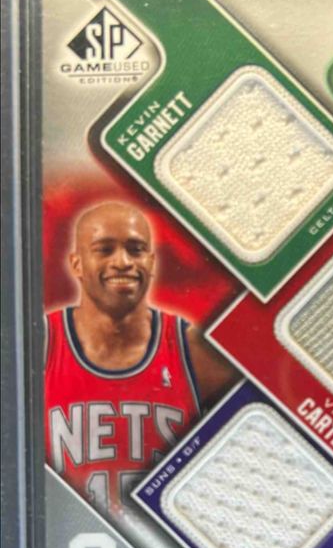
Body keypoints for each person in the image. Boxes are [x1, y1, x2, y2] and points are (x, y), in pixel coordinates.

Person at [45, 201, 239, 515]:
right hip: (65, 538)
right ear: (77, 264)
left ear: (151, 261)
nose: (122, 262)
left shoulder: (195, 351)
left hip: (162, 540)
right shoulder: (39, 345)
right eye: (104, 250)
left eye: (135, 250)